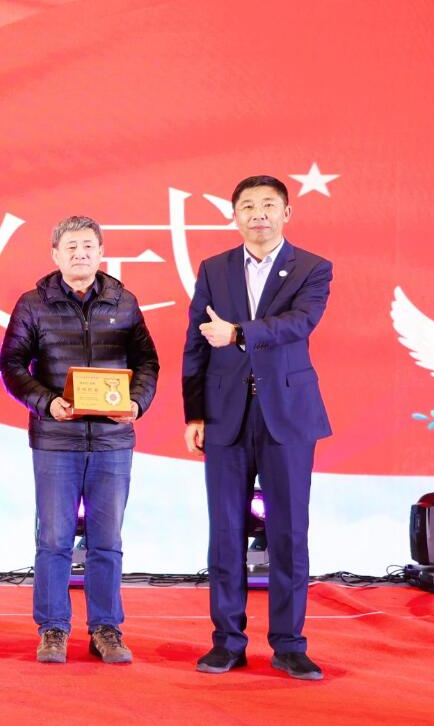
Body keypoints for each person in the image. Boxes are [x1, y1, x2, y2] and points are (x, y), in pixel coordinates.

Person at [182, 175, 333, 681]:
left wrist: (239, 333)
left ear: (286, 213)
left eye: (269, 205)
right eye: (247, 206)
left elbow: (300, 323)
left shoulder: (312, 267)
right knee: (225, 532)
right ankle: (227, 642)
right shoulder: (214, 268)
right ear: (235, 215)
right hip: (224, 416)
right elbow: (195, 343)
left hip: (287, 416)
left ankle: (289, 645)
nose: (258, 214)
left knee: (288, 532)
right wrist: (194, 414)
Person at [0, 215, 159, 665]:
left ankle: (106, 628)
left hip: (112, 440)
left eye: (88, 245)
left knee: (107, 540)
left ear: (101, 252)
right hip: (56, 440)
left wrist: (137, 403)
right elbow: (11, 365)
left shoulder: (124, 302)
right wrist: (46, 402)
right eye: (70, 246)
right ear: (55, 254)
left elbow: (148, 363)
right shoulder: (33, 304)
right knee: (53, 539)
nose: (80, 254)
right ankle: (52, 628)